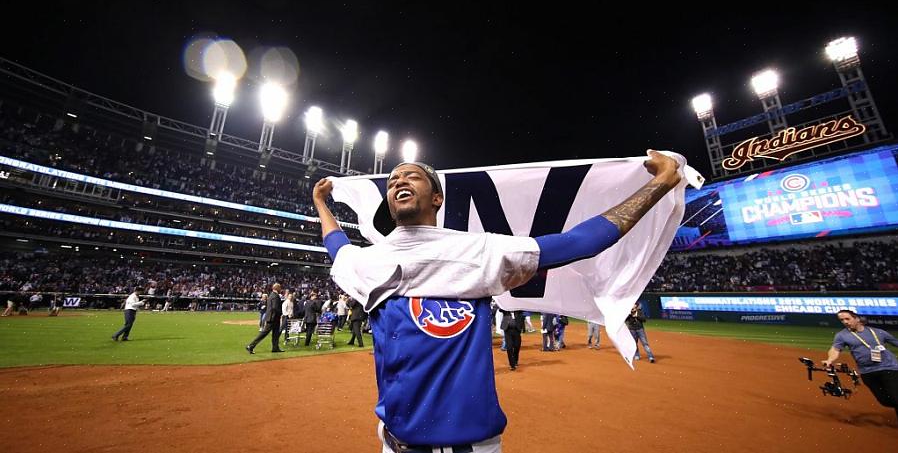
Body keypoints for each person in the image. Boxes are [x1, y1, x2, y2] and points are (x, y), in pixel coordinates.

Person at [313, 151, 682, 452]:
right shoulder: (367, 262)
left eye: (412, 177)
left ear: (437, 198)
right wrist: (320, 203)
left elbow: (578, 242)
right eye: (392, 181)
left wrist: (661, 183)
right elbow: (337, 247)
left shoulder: (481, 250)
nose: (399, 182)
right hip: (395, 445)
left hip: (471, 447)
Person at [823, 309, 898, 422]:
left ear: (857, 318)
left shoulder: (878, 332)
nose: (845, 322)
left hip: (889, 368)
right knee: (884, 401)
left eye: (847, 319)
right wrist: (830, 360)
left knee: (895, 398)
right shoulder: (842, 336)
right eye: (842, 320)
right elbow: (835, 349)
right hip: (867, 372)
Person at [245, 283, 283, 354]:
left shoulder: (271, 295)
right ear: (277, 288)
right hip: (273, 318)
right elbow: (275, 307)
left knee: (275, 334)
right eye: (280, 287)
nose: (281, 289)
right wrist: (280, 313)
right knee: (264, 333)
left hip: (272, 317)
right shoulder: (275, 296)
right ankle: (250, 346)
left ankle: (275, 348)